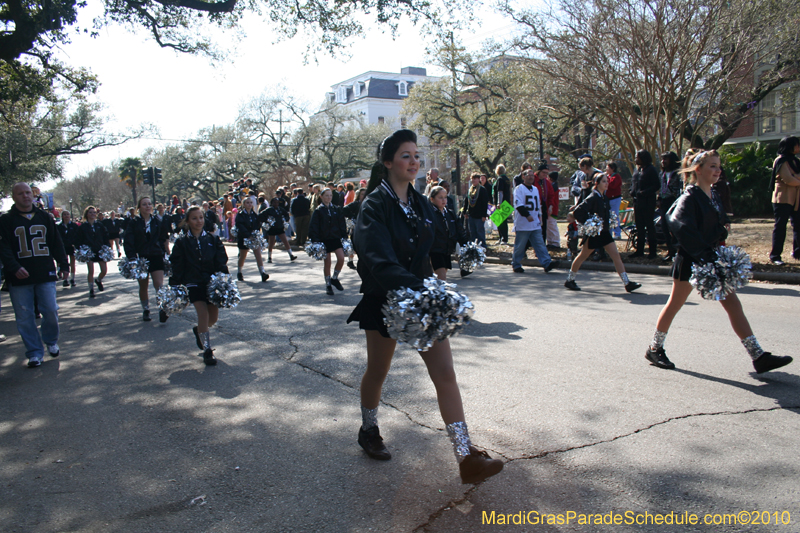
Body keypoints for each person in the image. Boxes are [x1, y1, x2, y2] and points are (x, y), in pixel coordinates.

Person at [348, 129, 503, 484]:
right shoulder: (373, 205)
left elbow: (441, 236)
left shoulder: (419, 202)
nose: (414, 161)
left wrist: (463, 249)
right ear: (388, 162)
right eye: (405, 155)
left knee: (445, 373)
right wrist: (421, 287)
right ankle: (369, 429)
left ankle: (465, 456)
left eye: (417, 155)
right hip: (385, 299)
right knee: (378, 371)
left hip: (421, 298)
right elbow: (378, 260)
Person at [646, 149, 794, 373]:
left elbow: (714, 222)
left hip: (712, 259)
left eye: (718, 165)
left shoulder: (712, 194)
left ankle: (758, 356)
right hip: (692, 260)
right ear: (698, 169)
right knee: (674, 305)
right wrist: (703, 254)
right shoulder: (689, 196)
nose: (718, 170)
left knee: (733, 304)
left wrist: (719, 234)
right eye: (712, 166)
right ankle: (655, 348)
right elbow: (677, 224)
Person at [0, 183, 69, 367]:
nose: (25, 196)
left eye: (28, 192)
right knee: (24, 316)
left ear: (33, 195)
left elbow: (56, 242)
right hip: (19, 276)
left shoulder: (44, 217)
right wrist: (13, 267)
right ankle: (34, 352)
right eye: (20, 193)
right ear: (13, 197)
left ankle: (51, 341)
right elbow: (3, 248)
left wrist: (63, 264)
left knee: (50, 310)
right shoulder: (6, 220)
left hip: (44, 272)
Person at [168, 206, 229, 366]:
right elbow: (176, 264)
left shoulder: (212, 239)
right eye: (194, 218)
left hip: (211, 282)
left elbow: (221, 260)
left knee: (212, 318)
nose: (199, 221)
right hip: (193, 283)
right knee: (203, 314)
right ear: (188, 221)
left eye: (201, 217)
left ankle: (200, 331)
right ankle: (207, 351)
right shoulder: (182, 242)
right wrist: (175, 283)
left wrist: (223, 277)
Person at [564, 174, 641, 292]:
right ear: (597, 183)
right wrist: (589, 223)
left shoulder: (604, 197)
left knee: (616, 255)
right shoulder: (593, 196)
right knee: (582, 256)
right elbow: (578, 211)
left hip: (604, 233)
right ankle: (570, 280)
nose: (607, 183)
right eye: (604, 181)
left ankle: (627, 283)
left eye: (607, 181)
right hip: (594, 234)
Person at [124, 197, 171, 321]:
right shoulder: (134, 223)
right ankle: (146, 309)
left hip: (156, 255)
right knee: (143, 286)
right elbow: (129, 241)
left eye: (149, 204)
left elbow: (163, 237)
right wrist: (132, 257)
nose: (148, 206)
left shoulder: (157, 221)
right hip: (141, 258)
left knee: (159, 284)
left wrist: (164, 251)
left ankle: (162, 309)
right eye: (144, 204)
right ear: (139, 207)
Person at [511, 169, 555, 274]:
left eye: (532, 175)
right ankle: (516, 264)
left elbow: (538, 205)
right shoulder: (519, 189)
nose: (531, 177)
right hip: (523, 223)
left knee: (540, 244)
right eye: (528, 175)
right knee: (520, 246)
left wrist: (539, 216)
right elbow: (519, 204)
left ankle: (547, 263)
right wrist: (527, 215)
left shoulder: (535, 189)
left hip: (535, 223)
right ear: (523, 176)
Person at [309, 188, 348, 295]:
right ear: (321, 197)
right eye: (326, 195)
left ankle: (334, 278)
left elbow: (341, 223)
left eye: (330, 195)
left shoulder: (336, 209)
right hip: (324, 239)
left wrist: (344, 236)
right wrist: (315, 240)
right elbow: (314, 226)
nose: (329, 198)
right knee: (328, 262)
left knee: (341, 258)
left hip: (335, 238)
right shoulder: (318, 211)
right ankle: (328, 285)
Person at [769, 136, 800, 265]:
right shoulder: (781, 161)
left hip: (796, 199)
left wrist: (796, 177)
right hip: (782, 199)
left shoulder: (796, 160)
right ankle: (775, 256)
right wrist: (796, 178)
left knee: (798, 226)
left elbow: (794, 178)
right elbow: (788, 179)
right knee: (780, 226)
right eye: (796, 145)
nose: (798, 147)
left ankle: (797, 252)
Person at [429, 185, 468, 280]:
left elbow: (459, 231)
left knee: (439, 279)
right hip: (435, 250)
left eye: (445, 197)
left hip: (446, 250)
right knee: (442, 278)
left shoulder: (450, 213)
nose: (444, 200)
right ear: (432, 199)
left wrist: (466, 245)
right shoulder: (429, 214)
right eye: (440, 197)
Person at [629, 149, 660, 258]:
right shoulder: (637, 170)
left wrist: (644, 192)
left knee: (649, 225)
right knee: (639, 226)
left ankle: (652, 251)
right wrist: (631, 191)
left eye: (638, 157)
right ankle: (639, 250)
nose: (636, 159)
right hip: (637, 201)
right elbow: (633, 183)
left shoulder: (651, 170)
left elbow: (656, 185)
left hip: (647, 202)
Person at [234, 196, 269, 283]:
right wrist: (247, 234)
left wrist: (256, 233)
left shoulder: (254, 214)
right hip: (244, 237)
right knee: (243, 256)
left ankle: (262, 273)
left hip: (254, 237)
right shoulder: (240, 215)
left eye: (250, 203)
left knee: (258, 254)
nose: (249, 204)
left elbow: (257, 224)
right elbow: (240, 225)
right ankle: (239, 272)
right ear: (243, 204)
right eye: (247, 203)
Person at [77, 206, 109, 299]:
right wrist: (81, 248)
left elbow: (105, 236)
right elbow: (78, 239)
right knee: (91, 271)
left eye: (94, 212)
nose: (92, 214)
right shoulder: (83, 227)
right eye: (90, 212)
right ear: (87, 214)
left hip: (100, 250)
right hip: (89, 251)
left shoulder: (99, 225)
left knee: (104, 270)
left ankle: (98, 280)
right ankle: (91, 289)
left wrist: (106, 246)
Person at [658, 152, 683, 261]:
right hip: (664, 202)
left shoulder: (677, 173)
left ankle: (678, 251)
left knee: (674, 228)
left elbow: (680, 189)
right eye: (662, 159)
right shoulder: (662, 174)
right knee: (664, 227)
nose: (663, 162)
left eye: (666, 159)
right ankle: (670, 251)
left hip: (674, 202)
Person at [259, 197, 297, 264]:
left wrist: (285, 220)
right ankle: (269, 257)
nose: (276, 204)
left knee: (285, 241)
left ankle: (291, 255)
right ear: (272, 203)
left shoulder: (280, 209)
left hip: (280, 227)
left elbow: (286, 215)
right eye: (275, 202)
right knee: (271, 243)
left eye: (277, 202)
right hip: (272, 228)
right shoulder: (269, 210)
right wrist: (267, 221)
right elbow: (260, 216)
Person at [342, 188, 367, 270]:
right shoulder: (355, 204)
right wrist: (351, 218)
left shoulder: (369, 204)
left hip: (366, 228)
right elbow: (344, 210)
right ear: (359, 195)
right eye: (362, 194)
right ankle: (350, 261)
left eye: (365, 194)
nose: (363, 196)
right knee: (353, 245)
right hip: (356, 228)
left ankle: (363, 261)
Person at [463, 173, 489, 246]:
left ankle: (482, 245)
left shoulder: (482, 190)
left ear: (478, 180)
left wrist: (484, 215)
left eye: (475, 179)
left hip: (479, 215)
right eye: (472, 179)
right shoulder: (470, 190)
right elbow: (466, 201)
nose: (473, 180)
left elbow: (484, 203)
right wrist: (465, 212)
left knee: (480, 231)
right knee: (472, 232)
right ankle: (473, 245)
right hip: (471, 214)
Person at [57, 210, 78, 287]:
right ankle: (65, 279)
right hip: (63, 247)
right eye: (64, 214)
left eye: (67, 214)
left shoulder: (74, 226)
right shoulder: (59, 227)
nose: (66, 216)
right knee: (65, 262)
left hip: (72, 246)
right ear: (62, 216)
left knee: (72, 262)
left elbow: (77, 236)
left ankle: (72, 279)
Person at [492, 164, 511, 245]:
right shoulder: (507, 179)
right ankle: (502, 238)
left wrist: (499, 202)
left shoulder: (500, 179)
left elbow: (500, 191)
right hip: (507, 202)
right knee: (500, 221)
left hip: (501, 203)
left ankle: (503, 239)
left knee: (501, 222)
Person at [605, 162, 623, 240]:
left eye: (608, 168)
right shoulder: (608, 176)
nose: (606, 169)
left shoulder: (616, 176)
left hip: (615, 198)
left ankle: (617, 233)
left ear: (612, 169)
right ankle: (609, 233)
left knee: (614, 216)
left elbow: (612, 185)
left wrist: (607, 180)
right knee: (609, 217)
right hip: (608, 199)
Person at [545, 171, 561, 248]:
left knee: (552, 225)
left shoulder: (553, 186)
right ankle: (550, 241)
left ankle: (555, 242)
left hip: (553, 209)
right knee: (549, 226)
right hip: (552, 208)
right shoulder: (553, 185)